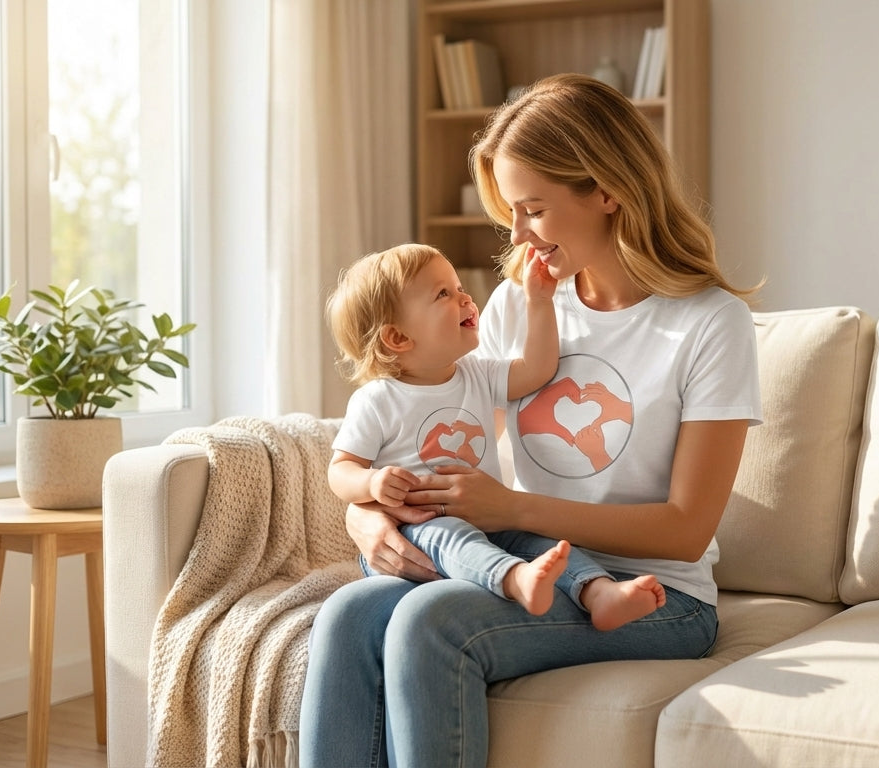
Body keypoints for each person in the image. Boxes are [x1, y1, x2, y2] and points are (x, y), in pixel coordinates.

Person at [300, 73, 761, 768]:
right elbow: (423, 419)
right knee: (346, 613)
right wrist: (368, 516)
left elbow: (687, 527)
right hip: (517, 560)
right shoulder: (521, 304)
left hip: (656, 596)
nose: (516, 235)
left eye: (534, 210)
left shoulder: (709, 324)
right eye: (510, 212)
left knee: (434, 621)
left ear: (606, 191)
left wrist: (510, 505)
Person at [325, 242, 666, 628]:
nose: (465, 298)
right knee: (451, 534)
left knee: (541, 544)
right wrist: (371, 482)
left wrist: (538, 303)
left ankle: (600, 592)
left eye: (458, 287)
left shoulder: (477, 374)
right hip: (418, 531)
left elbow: (537, 368)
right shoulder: (377, 400)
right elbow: (341, 470)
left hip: (488, 524)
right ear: (399, 338)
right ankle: (515, 579)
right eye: (444, 294)